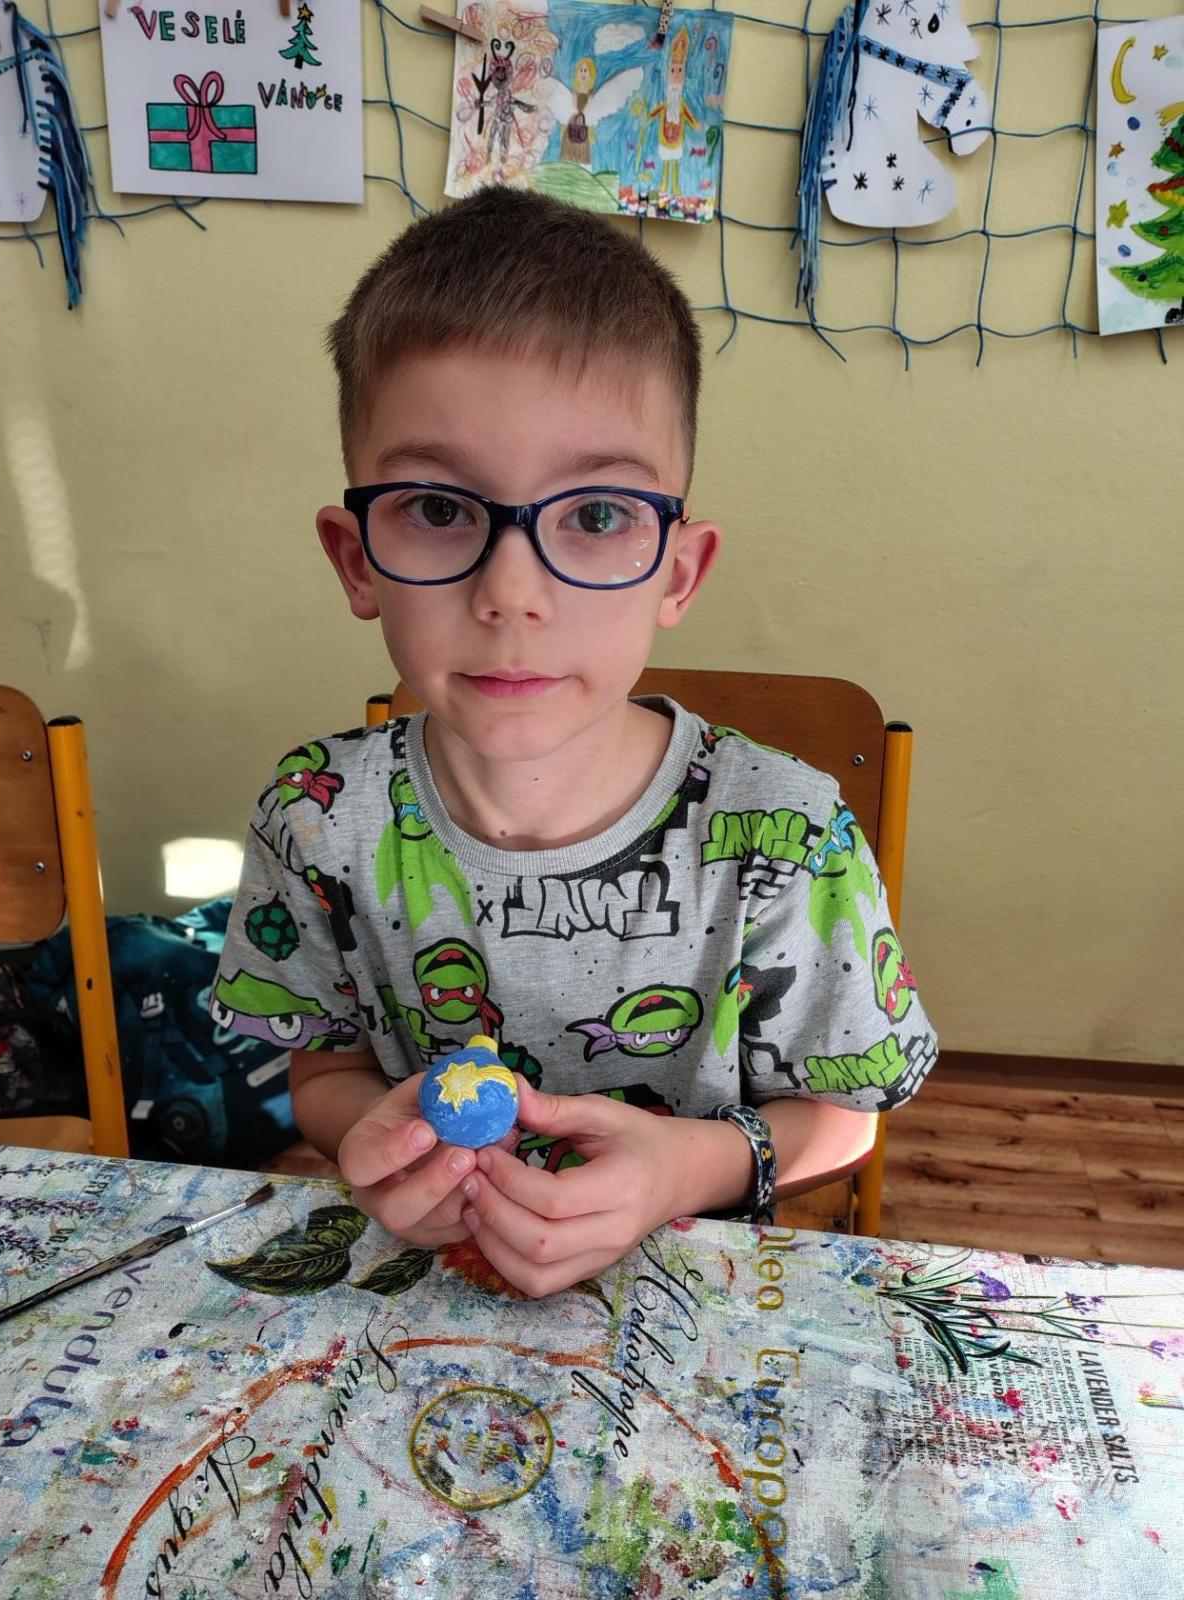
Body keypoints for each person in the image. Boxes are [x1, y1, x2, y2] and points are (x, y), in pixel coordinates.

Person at [213, 186, 937, 1295]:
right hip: (426, 1288)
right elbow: (324, 1073)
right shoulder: (314, 818)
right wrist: (372, 1138)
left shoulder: (786, 831)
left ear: (679, 572)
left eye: (597, 514)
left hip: (693, 1301)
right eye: (438, 508)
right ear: (356, 560)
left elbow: (846, 1117)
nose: (512, 593)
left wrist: (682, 1168)